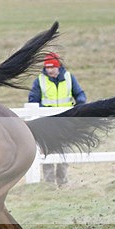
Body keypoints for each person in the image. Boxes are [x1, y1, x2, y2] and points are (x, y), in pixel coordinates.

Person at [28, 52, 87, 185]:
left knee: (64, 151)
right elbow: (33, 100)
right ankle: (49, 183)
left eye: (52, 67)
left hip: (65, 122)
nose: (49, 70)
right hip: (47, 122)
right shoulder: (39, 81)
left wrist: (80, 105)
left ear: (58, 67)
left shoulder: (69, 78)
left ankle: (62, 181)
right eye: (47, 67)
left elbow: (80, 94)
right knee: (48, 151)